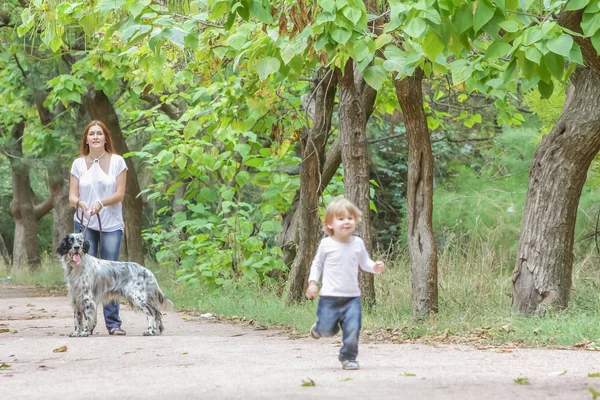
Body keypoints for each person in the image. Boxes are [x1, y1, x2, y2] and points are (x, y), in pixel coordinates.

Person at [305, 198, 385, 370]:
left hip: (352, 297)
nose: (346, 222)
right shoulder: (326, 244)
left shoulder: (358, 243)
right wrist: (312, 283)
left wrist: (375, 267)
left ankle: (348, 358)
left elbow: (365, 263)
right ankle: (320, 328)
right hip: (329, 297)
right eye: (340, 219)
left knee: (353, 328)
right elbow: (316, 264)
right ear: (330, 224)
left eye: (350, 218)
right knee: (328, 329)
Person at [68, 120, 128, 336]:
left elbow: (120, 194)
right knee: (84, 274)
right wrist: (80, 203)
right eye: (91, 133)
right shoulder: (78, 164)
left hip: (111, 224)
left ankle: (113, 323)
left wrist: (101, 203)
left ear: (105, 138)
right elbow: (72, 196)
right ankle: (86, 324)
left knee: (109, 273)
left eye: (99, 133)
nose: (95, 137)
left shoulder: (118, 162)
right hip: (84, 224)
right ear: (86, 139)